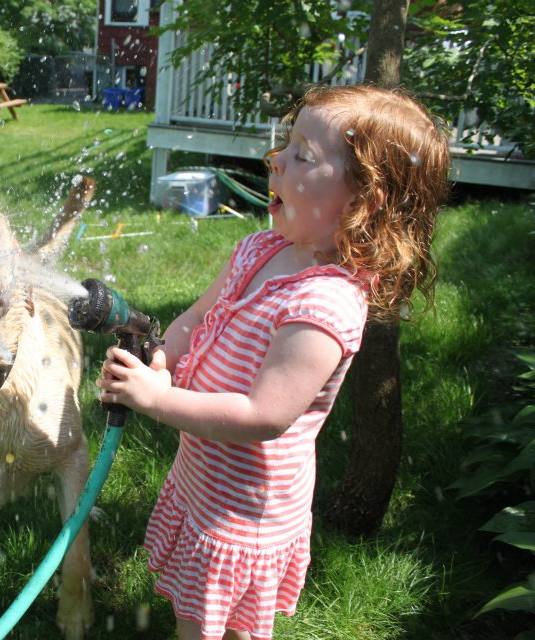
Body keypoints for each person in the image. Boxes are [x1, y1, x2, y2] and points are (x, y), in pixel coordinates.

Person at [97, 84, 450, 640]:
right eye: (286, 145)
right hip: (203, 481)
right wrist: (164, 358)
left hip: (244, 514)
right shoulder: (259, 248)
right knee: (210, 621)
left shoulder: (325, 302)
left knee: (211, 629)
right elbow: (193, 318)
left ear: (362, 201)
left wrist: (156, 398)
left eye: (303, 156)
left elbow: (266, 415)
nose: (276, 160)